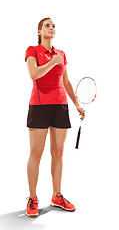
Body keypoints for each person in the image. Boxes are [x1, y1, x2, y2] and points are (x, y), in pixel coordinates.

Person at [25, 17, 85, 217]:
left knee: (58, 153)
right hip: (39, 106)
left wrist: (76, 104)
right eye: (47, 25)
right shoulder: (32, 50)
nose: (52, 28)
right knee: (36, 154)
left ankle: (56, 196)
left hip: (60, 106)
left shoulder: (61, 54)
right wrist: (53, 63)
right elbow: (34, 74)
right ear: (39, 31)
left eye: (53, 26)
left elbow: (66, 82)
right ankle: (32, 198)